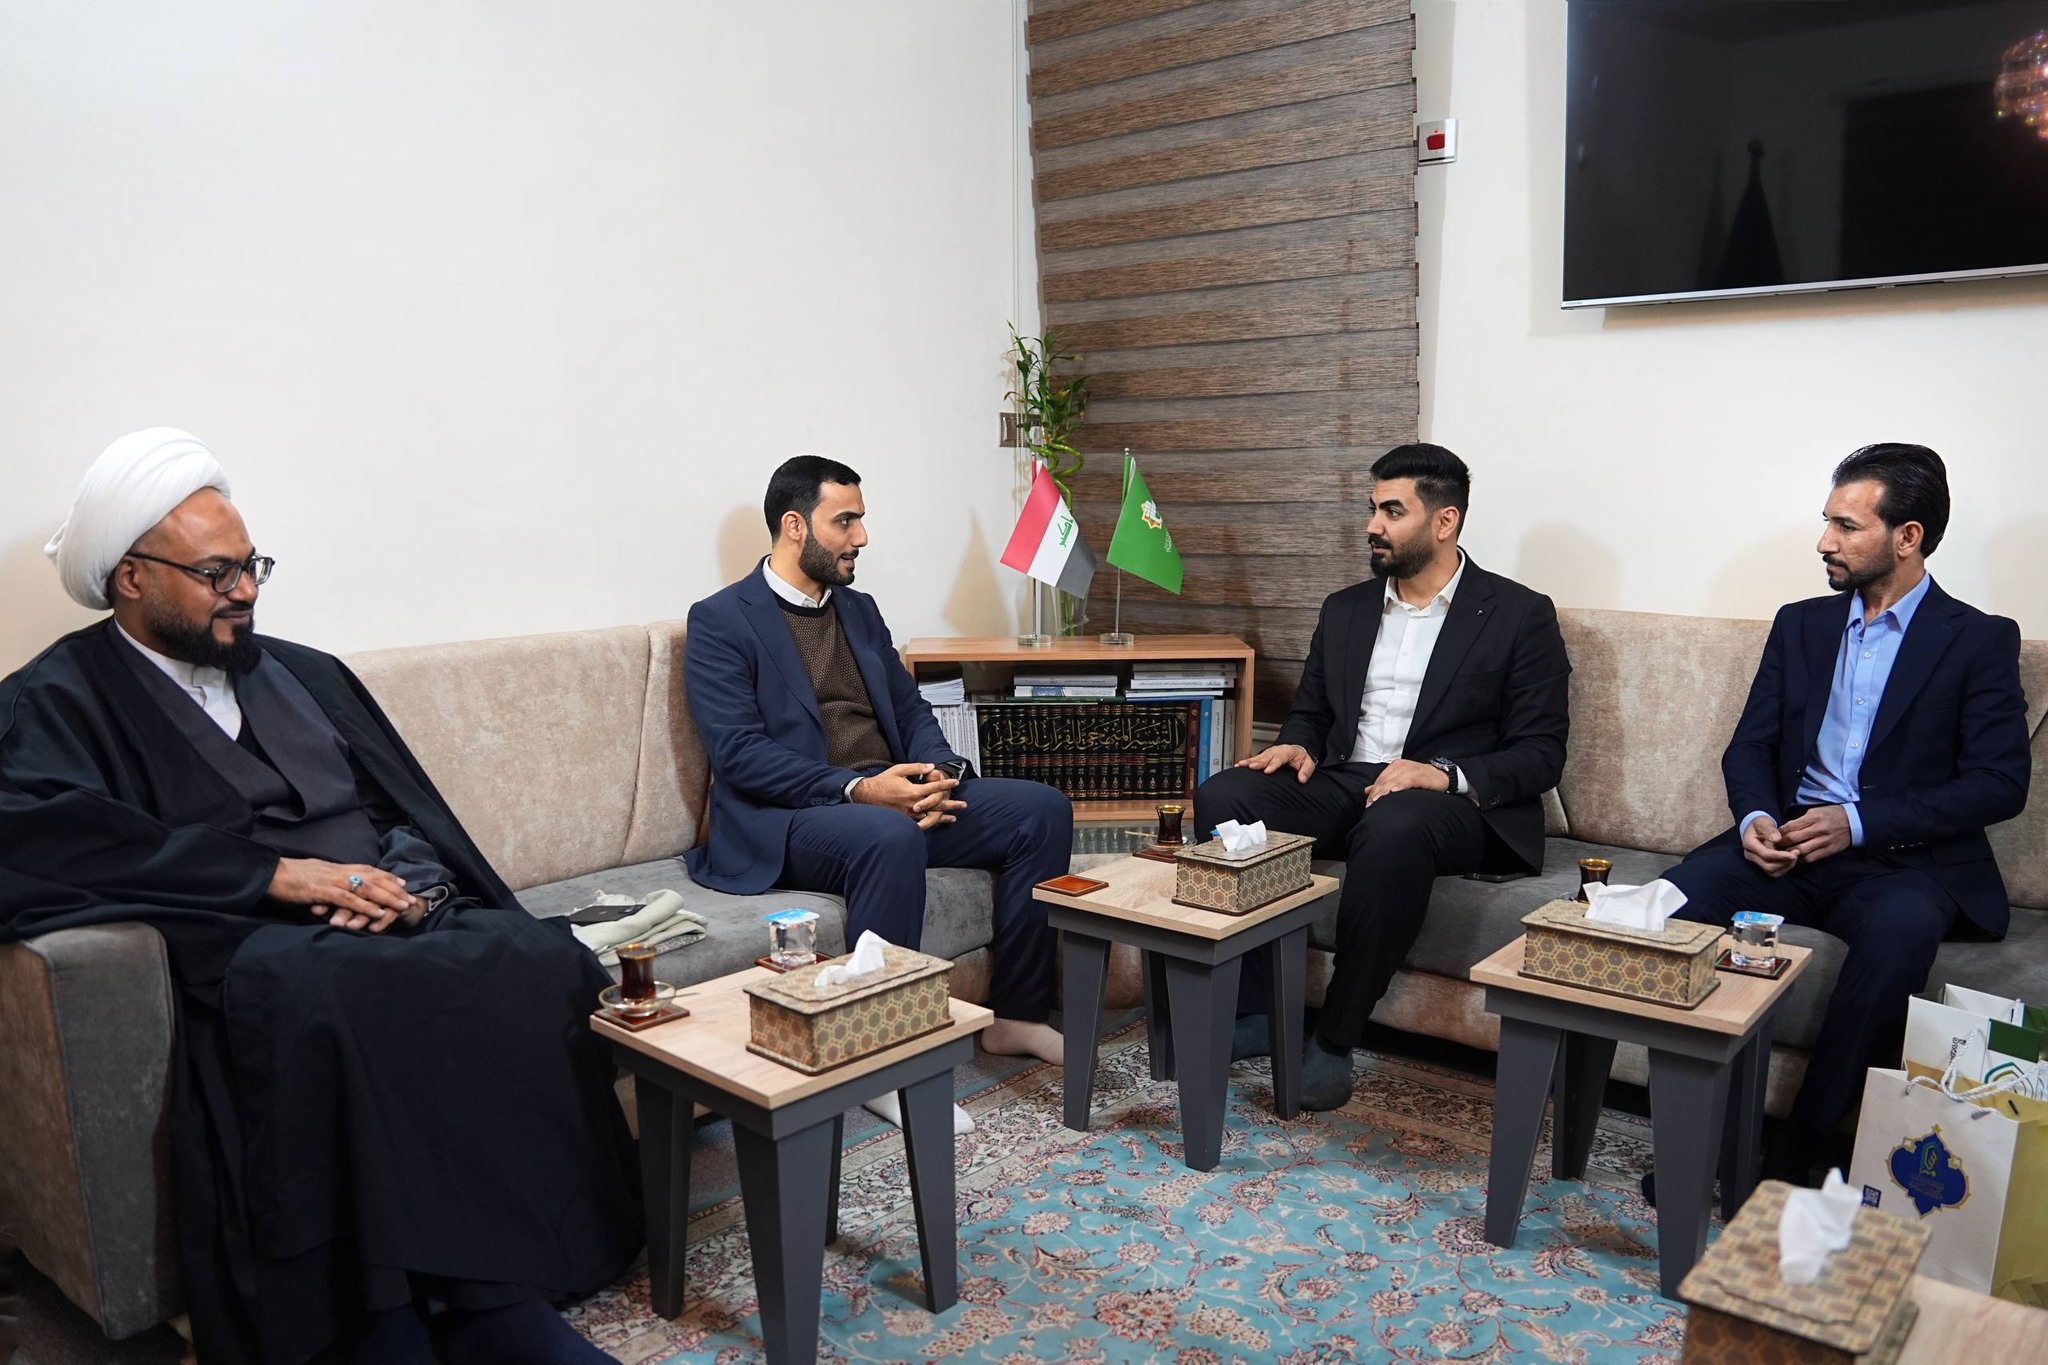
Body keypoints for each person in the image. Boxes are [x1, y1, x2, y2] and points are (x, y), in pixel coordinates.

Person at [0, 430, 639, 1365]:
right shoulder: (58, 698)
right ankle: (416, 1315)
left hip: (390, 911)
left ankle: (506, 1284)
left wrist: (408, 885)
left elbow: (396, 809)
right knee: (352, 1000)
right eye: (216, 573)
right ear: (131, 578)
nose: (245, 591)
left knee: (536, 960)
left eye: (250, 565)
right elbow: (46, 839)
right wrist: (274, 876)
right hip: (252, 940)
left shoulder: (302, 670)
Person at [1661, 443, 2029, 1180]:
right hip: (1789, 846)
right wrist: (1755, 819)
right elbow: (1750, 746)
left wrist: (1858, 821)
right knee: (1668, 902)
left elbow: (1998, 784)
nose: (1824, 541)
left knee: (1898, 935)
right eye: (1827, 521)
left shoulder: (1979, 638)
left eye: (1846, 526)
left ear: (1908, 536)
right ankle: (1695, 1139)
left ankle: (1800, 1153)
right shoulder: (1801, 624)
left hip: (1901, 864)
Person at [1193, 444, 1571, 1111]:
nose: (1373, 525)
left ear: (1445, 520)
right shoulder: (1346, 608)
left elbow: (1541, 753)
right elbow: (1312, 713)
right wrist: (1297, 744)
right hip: (1349, 780)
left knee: (1394, 825)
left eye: (1393, 511)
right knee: (1225, 795)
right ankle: (1255, 1007)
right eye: (1372, 508)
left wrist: (1441, 774)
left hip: (1451, 804)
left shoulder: (1519, 614)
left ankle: (1335, 1036)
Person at [684, 455, 1070, 1091]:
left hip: (890, 794)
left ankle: (1017, 1017)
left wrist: (938, 773)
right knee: (888, 835)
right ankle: (881, 1064)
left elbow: (910, 708)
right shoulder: (722, 619)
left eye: (860, 520)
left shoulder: (859, 610)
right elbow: (739, 753)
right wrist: (861, 789)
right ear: (794, 526)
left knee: (1041, 810)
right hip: (794, 817)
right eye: (845, 521)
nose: (861, 537)